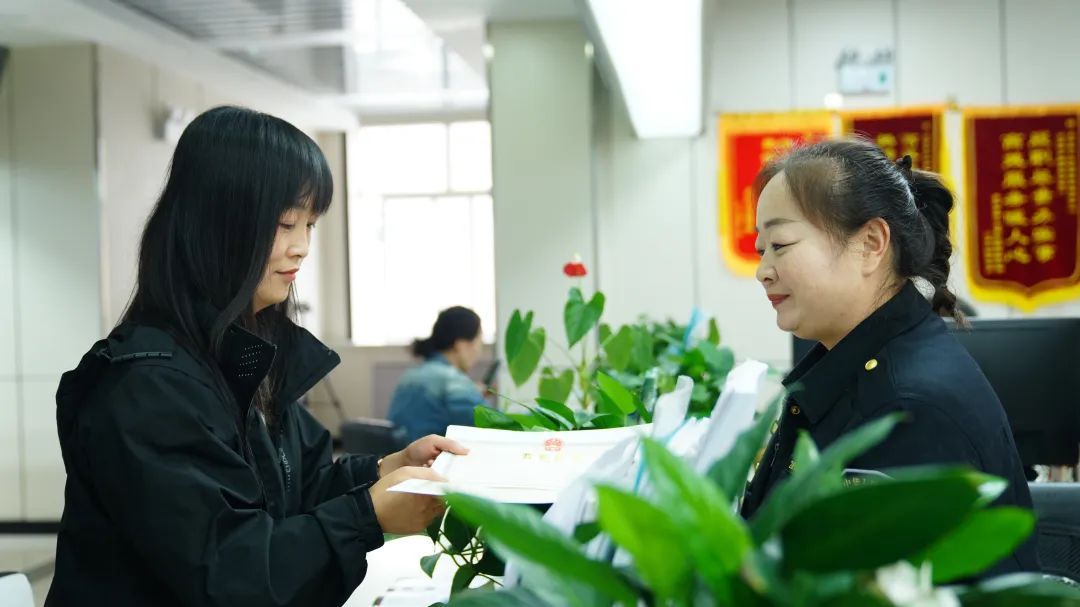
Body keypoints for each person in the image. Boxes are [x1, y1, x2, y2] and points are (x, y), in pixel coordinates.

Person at [47, 106, 466, 607]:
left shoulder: (246, 359)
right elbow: (231, 574)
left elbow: (294, 488)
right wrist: (365, 516)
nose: (302, 247)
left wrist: (384, 469)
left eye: (310, 224)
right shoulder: (149, 389)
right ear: (216, 225)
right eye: (286, 223)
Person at [740, 139, 1038, 576]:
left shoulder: (908, 409)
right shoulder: (855, 364)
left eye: (780, 245)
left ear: (871, 243)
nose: (762, 270)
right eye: (760, 249)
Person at [388, 306, 491, 442]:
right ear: (461, 345)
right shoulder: (453, 382)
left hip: (399, 453)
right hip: (428, 455)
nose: (479, 352)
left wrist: (472, 391)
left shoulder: (409, 376)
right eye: (479, 342)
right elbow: (492, 426)